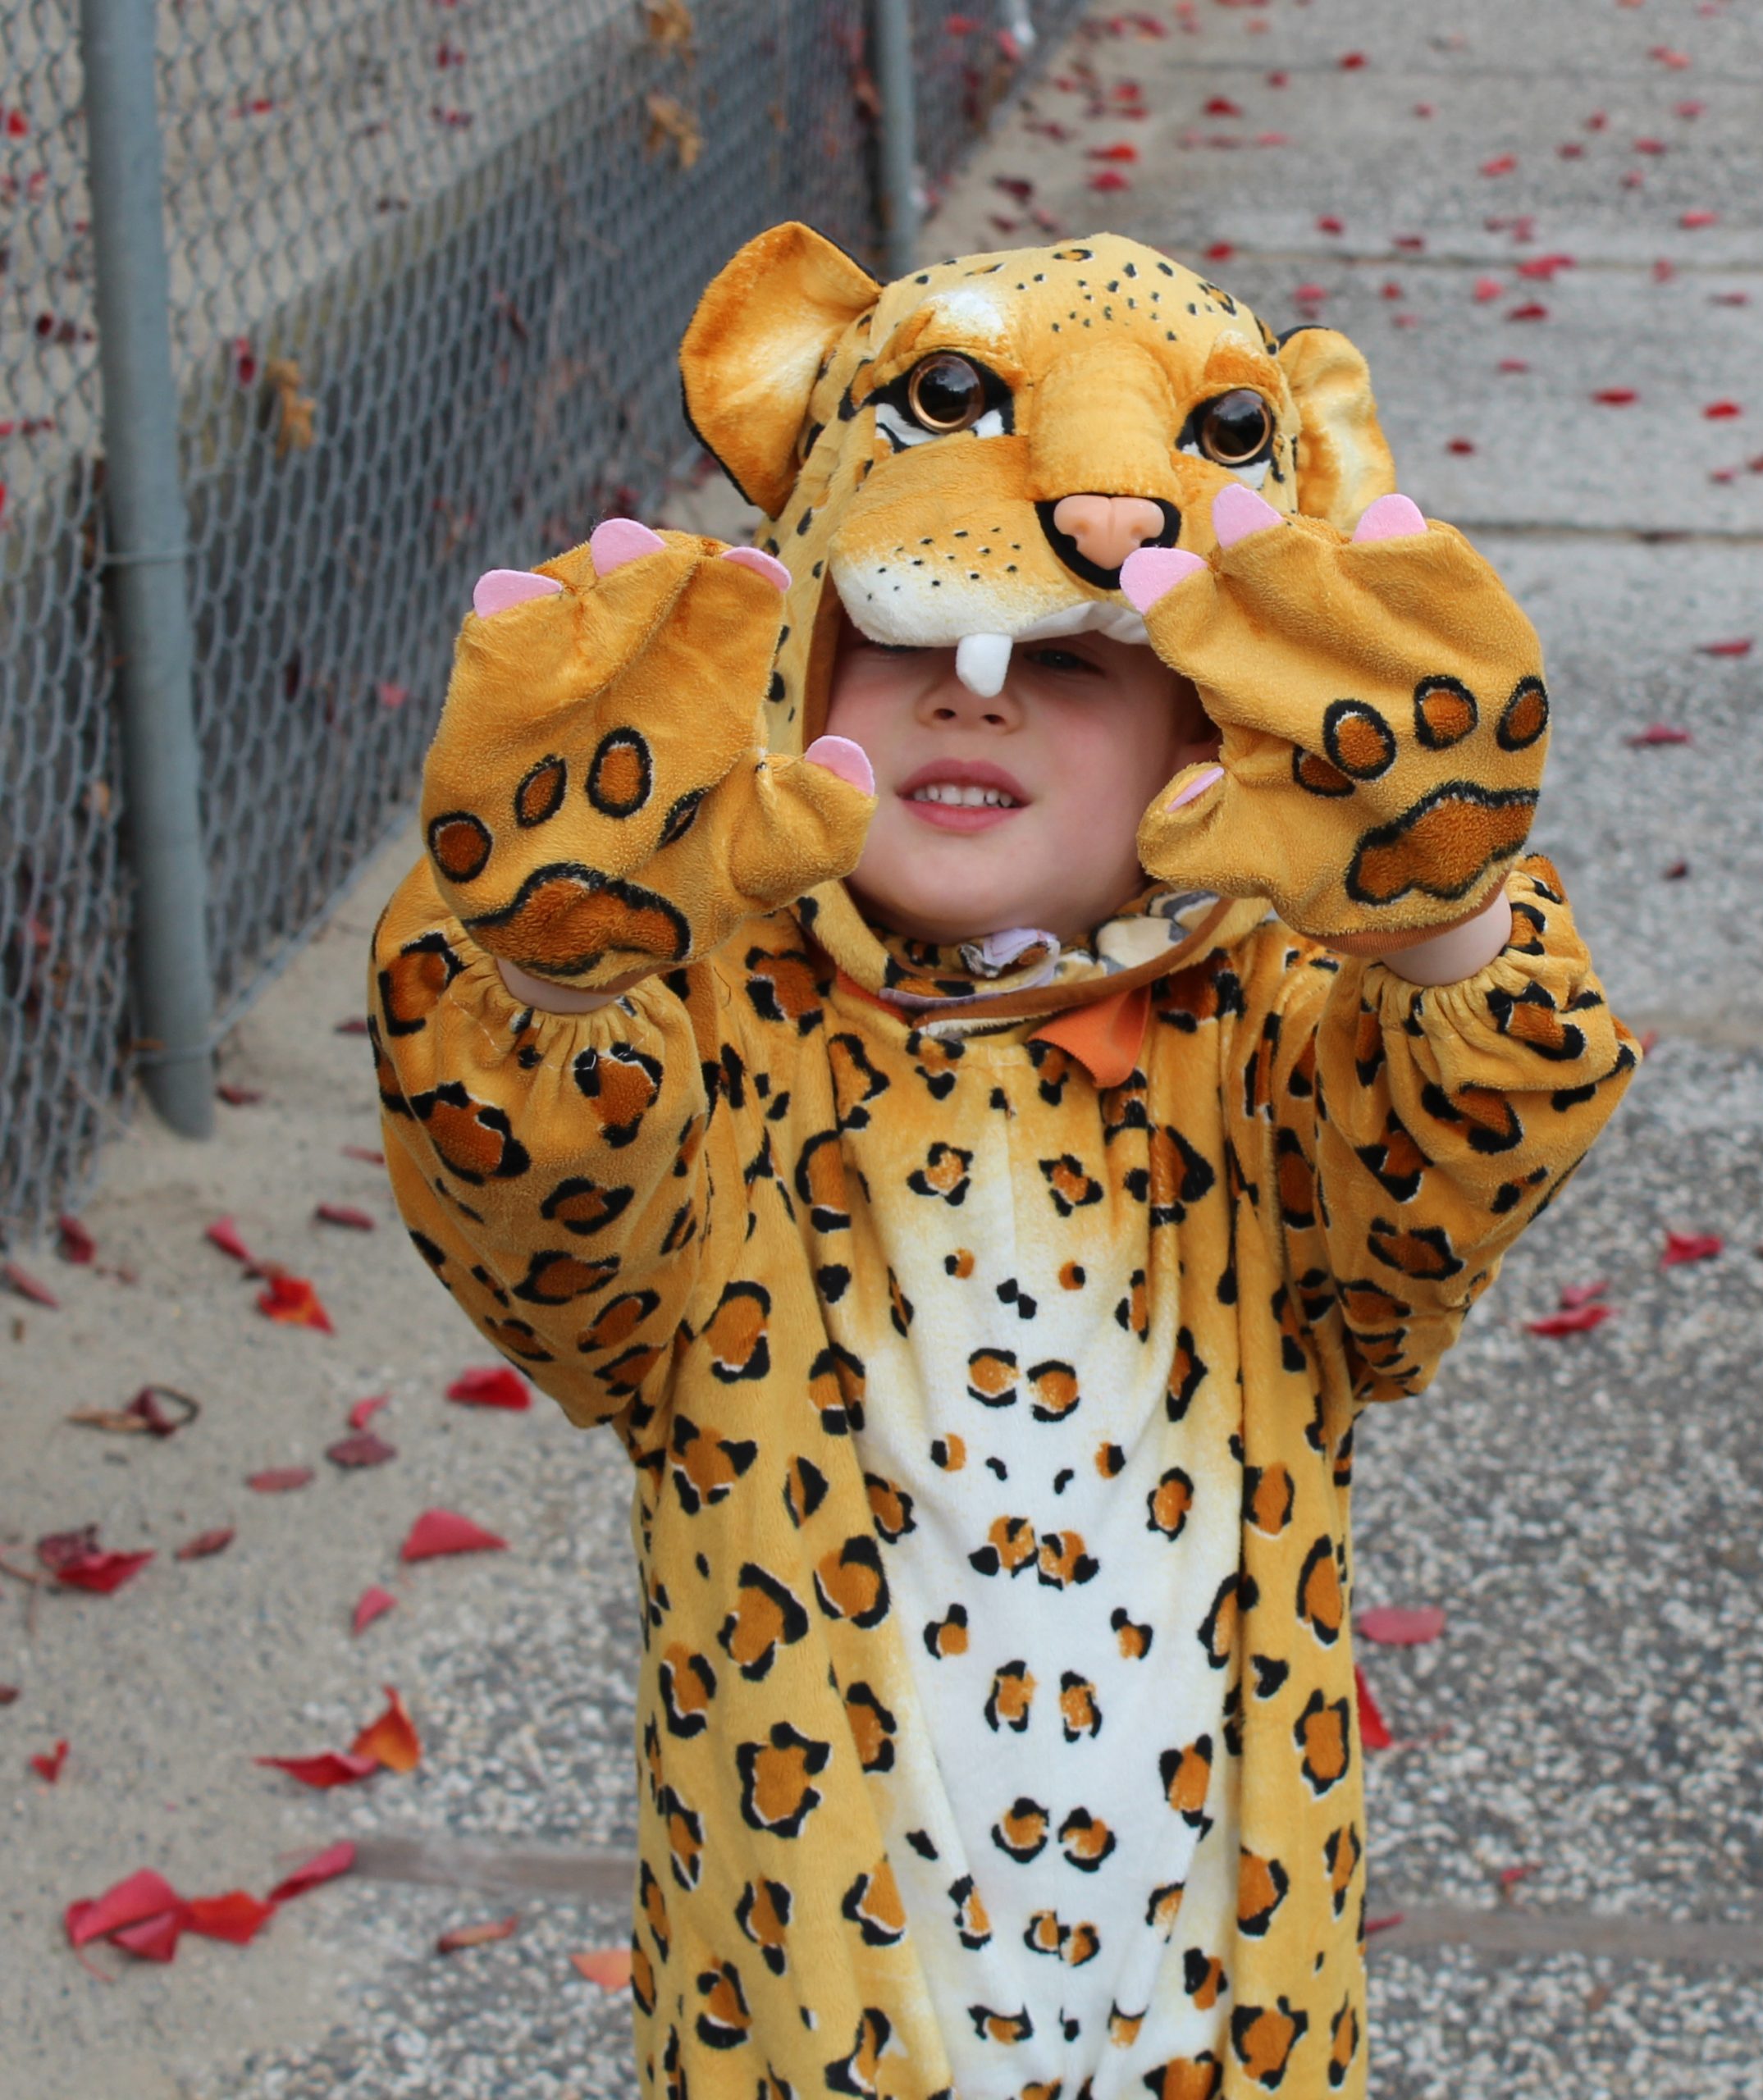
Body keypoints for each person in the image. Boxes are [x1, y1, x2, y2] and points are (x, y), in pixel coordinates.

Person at [368, 223, 1636, 2100]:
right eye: (904, 645)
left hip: (1217, 2018)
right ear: (796, 649)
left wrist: (1434, 922)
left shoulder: (1275, 1042)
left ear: (1219, 722)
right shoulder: (716, 1031)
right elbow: (555, 1243)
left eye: (1077, 665)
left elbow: (1442, 1183)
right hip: (803, 2026)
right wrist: (548, 975)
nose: (973, 700)